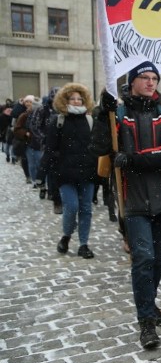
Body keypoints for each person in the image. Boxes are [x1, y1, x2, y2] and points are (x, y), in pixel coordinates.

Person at [91, 61, 161, 350]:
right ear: (132, 81)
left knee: (157, 260)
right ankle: (145, 320)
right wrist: (100, 113)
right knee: (142, 259)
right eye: (144, 77)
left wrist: (133, 159)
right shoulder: (119, 114)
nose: (150, 82)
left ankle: (150, 302)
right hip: (133, 199)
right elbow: (101, 147)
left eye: (154, 77)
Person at [42, 83, 98, 258]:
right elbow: (50, 149)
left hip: (87, 172)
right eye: (72, 98)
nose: (76, 101)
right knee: (72, 206)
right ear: (65, 100)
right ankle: (66, 235)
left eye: (79, 98)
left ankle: (83, 244)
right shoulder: (57, 120)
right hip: (65, 173)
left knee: (86, 209)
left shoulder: (89, 121)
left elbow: (95, 146)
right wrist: (46, 173)